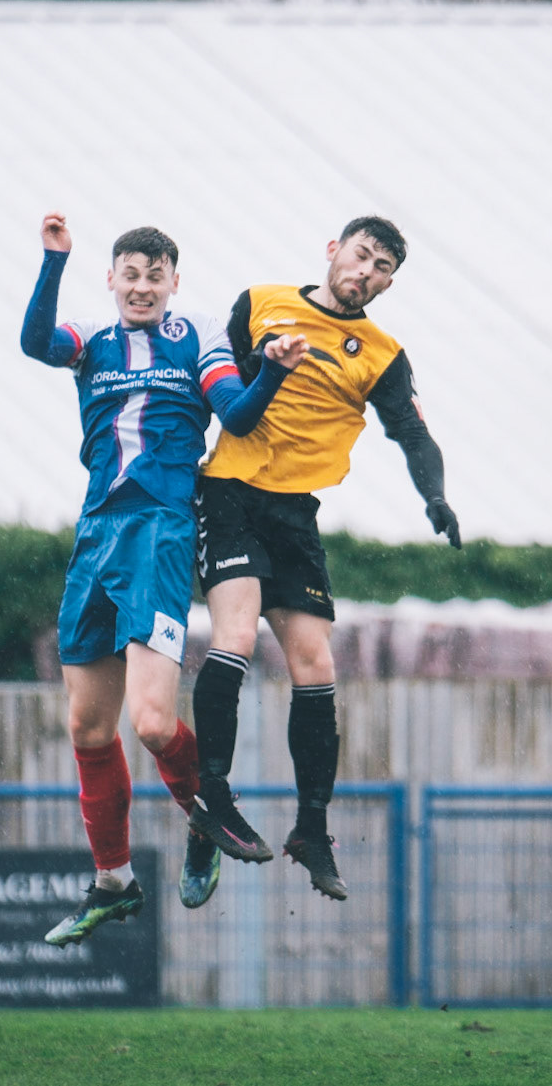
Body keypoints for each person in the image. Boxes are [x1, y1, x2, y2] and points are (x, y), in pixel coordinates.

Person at [20, 211, 307, 946]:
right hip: (96, 539)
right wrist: (53, 260)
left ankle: (208, 812)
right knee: (87, 725)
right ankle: (113, 879)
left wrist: (272, 367)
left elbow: (237, 416)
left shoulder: (197, 337)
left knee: (149, 721)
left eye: (155, 275)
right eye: (130, 273)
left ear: (174, 283)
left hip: (161, 533)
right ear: (111, 279)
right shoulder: (94, 337)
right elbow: (34, 343)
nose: (142, 285)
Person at [188, 214, 459, 901]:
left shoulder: (382, 353)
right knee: (237, 633)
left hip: (294, 511)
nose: (366, 272)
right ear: (333, 250)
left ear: (389, 283)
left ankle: (312, 827)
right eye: (361, 255)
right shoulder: (261, 304)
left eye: (382, 269)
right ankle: (211, 797)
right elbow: (221, 396)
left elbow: (414, 434)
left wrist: (436, 496)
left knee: (316, 663)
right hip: (229, 492)